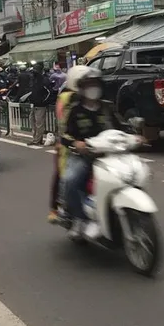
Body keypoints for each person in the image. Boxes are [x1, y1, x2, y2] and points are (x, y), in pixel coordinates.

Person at [59, 67, 115, 239]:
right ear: (82, 88)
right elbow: (64, 134)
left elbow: (122, 127)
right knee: (70, 180)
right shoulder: (75, 110)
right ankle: (79, 219)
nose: (93, 88)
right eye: (89, 85)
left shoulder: (107, 108)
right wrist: (76, 143)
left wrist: (137, 136)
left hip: (110, 155)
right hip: (83, 156)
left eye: (95, 84)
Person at [48, 65, 90, 223]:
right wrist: (70, 139)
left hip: (95, 143)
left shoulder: (95, 98)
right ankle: (56, 207)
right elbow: (63, 120)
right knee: (64, 176)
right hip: (70, 143)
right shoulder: (66, 98)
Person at [27, 64, 50, 146]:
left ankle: (37, 141)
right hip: (34, 104)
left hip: (40, 105)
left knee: (39, 124)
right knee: (33, 122)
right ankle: (36, 139)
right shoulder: (34, 80)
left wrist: (43, 101)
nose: (33, 73)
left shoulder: (44, 80)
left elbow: (49, 92)